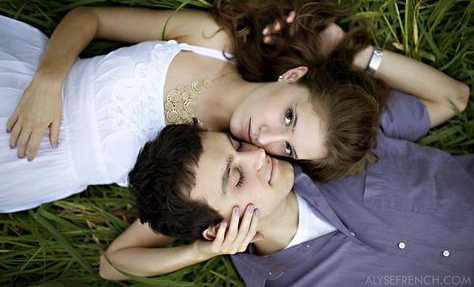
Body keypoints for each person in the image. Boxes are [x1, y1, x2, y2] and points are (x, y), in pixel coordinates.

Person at [0, 0, 467, 212]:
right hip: (28, 79)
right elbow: (92, 19)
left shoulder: (221, 175)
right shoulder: (209, 43)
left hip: (31, 165)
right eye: (288, 117)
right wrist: (351, 51)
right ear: (292, 77)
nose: (264, 138)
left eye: (286, 148)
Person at [100, 86, 473, 285]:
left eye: (237, 145)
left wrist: (352, 48)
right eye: (237, 177)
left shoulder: (326, 146)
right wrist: (200, 252)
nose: (258, 156)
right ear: (218, 229)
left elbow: (451, 97)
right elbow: (113, 264)